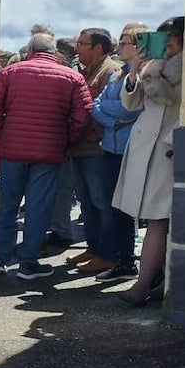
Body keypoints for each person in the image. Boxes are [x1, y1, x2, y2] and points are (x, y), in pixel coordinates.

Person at [0, 33, 92, 280]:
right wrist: (65, 140)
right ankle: (28, 262)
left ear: (30, 49)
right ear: (55, 52)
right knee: (38, 208)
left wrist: (5, 131)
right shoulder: (73, 77)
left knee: (7, 207)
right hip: (49, 153)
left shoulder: (11, 72)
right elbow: (82, 115)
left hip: (13, 151)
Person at [115, 17, 185, 306]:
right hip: (149, 146)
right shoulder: (154, 66)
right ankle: (157, 284)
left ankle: (143, 285)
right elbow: (130, 104)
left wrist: (148, 72)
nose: (165, 44)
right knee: (155, 219)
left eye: (170, 40)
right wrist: (134, 73)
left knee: (159, 220)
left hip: (168, 149)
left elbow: (172, 102)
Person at [89, 22, 148, 282]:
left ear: (138, 47)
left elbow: (130, 109)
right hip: (111, 146)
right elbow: (97, 105)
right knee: (113, 206)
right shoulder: (117, 73)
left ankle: (125, 261)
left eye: (125, 42)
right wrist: (114, 118)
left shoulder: (143, 74)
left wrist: (114, 111)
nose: (119, 46)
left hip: (128, 149)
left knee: (123, 209)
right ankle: (119, 257)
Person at [66, 28, 123, 274]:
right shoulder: (87, 70)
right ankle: (94, 248)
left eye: (82, 43)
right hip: (82, 147)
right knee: (87, 204)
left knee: (102, 203)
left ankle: (108, 254)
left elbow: (101, 109)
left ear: (98, 47)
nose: (77, 48)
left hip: (97, 149)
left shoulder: (110, 70)